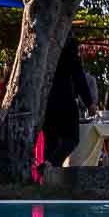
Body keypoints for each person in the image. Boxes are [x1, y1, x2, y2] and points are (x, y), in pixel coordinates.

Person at [41, 35, 94, 173]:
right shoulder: (69, 54)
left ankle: (47, 177)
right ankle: (51, 164)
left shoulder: (45, 52)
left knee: (51, 141)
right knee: (72, 138)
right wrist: (89, 103)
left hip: (46, 101)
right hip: (65, 100)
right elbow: (79, 79)